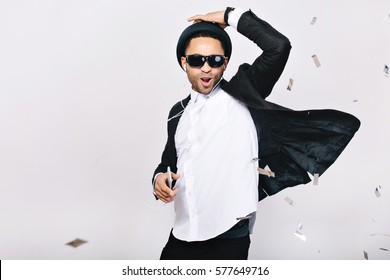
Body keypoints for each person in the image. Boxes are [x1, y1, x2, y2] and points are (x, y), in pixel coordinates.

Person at [152, 7, 360, 260]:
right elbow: (168, 162)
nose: (206, 68)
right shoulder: (177, 113)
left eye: (215, 60)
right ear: (184, 62)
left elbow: (279, 47)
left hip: (229, 236)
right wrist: (159, 179)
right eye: (197, 60)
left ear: (225, 62)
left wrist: (231, 16)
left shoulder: (242, 93)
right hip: (182, 233)